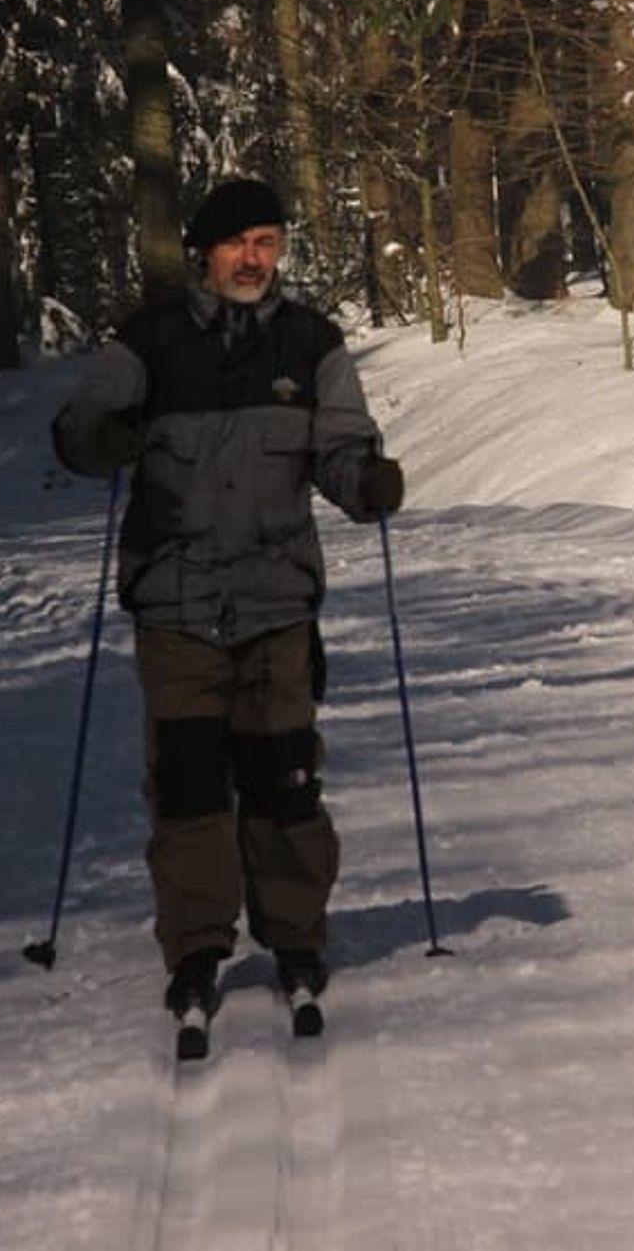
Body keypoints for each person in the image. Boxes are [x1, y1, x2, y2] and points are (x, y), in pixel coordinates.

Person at [52, 178, 405, 1022]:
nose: (254, 259)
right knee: (188, 788)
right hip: (176, 606)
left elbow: (339, 446)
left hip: (276, 605)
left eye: (268, 243)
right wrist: (101, 438)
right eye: (239, 243)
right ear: (204, 252)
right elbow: (76, 430)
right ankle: (196, 950)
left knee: (286, 780)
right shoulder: (148, 341)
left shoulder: (311, 344)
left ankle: (297, 939)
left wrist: (365, 481)